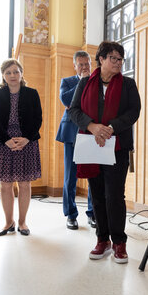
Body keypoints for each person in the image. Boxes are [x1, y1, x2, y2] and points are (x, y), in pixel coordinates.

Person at [69, 41, 141, 263]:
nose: (118, 62)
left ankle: (119, 242)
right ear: (101, 59)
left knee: (115, 195)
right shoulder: (85, 83)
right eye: (114, 58)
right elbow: (73, 110)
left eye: (121, 59)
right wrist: (92, 126)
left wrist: (111, 127)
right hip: (91, 145)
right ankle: (103, 239)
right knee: (97, 194)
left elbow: (134, 111)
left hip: (117, 146)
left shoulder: (128, 84)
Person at [0, 59, 43, 236]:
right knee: (5, 184)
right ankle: (8, 222)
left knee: (25, 184)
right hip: (3, 143)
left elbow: (38, 119)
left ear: (21, 73)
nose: (12, 75)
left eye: (16, 71)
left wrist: (26, 138)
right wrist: (6, 140)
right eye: (8, 72)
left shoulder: (32, 93)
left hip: (26, 142)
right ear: (3, 75)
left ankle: (22, 222)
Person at [56, 50, 96, 230]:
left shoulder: (97, 81)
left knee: (93, 176)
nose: (85, 67)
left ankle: (93, 214)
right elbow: (66, 99)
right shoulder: (68, 82)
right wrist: (81, 82)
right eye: (81, 64)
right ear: (74, 66)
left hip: (91, 133)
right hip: (72, 133)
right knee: (70, 177)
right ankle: (71, 215)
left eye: (87, 63)